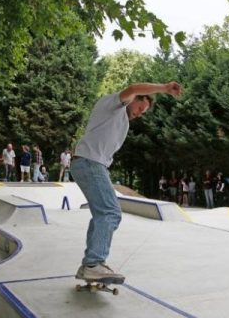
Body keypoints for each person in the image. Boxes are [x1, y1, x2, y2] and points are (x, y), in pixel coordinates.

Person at [71, 81, 183, 283]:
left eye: (143, 112)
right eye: (140, 108)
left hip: (90, 164)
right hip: (90, 163)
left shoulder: (122, 120)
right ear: (133, 100)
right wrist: (164, 88)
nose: (139, 114)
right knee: (110, 212)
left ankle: (89, 264)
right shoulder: (113, 104)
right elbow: (133, 88)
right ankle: (93, 264)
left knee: (101, 215)